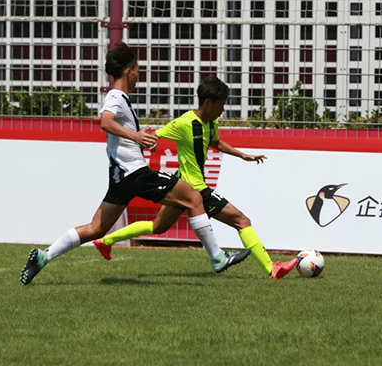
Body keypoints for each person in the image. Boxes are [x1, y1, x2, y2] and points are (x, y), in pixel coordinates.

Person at [20, 44, 251, 285]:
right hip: (134, 172)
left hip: (120, 177)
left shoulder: (120, 98)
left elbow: (117, 130)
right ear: (129, 71)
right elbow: (105, 122)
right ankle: (217, 258)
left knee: (97, 228)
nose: (139, 75)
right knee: (193, 197)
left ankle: (44, 256)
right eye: (138, 70)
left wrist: (140, 138)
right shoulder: (116, 97)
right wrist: (136, 137)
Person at [92, 75, 299, 280]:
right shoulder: (184, 123)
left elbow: (215, 142)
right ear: (208, 102)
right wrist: (150, 142)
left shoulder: (211, 122)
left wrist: (242, 155)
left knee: (158, 226)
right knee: (241, 220)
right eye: (221, 104)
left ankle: (106, 241)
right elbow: (153, 136)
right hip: (195, 188)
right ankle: (271, 269)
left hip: (182, 188)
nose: (223, 109)